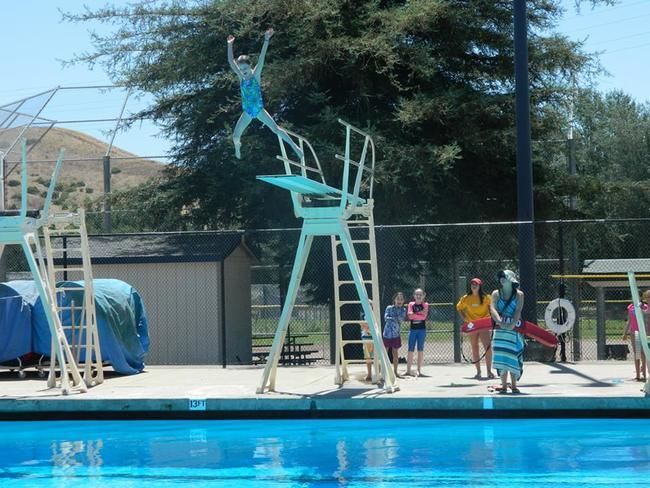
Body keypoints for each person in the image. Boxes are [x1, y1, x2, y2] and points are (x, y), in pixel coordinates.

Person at [227, 28, 303, 160]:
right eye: (241, 69)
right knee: (235, 137)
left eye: (245, 69)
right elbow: (230, 62)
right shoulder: (241, 77)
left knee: (275, 129)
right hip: (247, 112)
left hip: (259, 110)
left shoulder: (256, 75)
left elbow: (262, 57)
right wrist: (229, 45)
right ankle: (238, 147)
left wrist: (266, 39)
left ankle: (295, 147)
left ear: (250, 67)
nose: (243, 71)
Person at [489, 270, 525, 394]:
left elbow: (518, 310)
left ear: (511, 278)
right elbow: (492, 308)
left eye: (504, 276)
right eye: (500, 277)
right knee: (501, 356)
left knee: (513, 355)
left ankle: (514, 385)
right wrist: (499, 321)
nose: (501, 279)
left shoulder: (519, 295)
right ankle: (504, 385)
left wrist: (512, 324)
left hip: (514, 330)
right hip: (499, 330)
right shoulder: (496, 293)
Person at [456, 277, 494, 380]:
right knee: (474, 347)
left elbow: (492, 308)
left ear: (479, 286)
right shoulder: (466, 298)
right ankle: (478, 372)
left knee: (487, 347)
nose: (474, 285)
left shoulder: (486, 297)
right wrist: (465, 319)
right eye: (472, 283)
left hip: (483, 325)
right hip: (472, 326)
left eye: (476, 284)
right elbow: (459, 308)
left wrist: (492, 320)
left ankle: (489, 371)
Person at [623, 289, 650, 382]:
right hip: (634, 332)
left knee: (643, 352)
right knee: (637, 353)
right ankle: (638, 375)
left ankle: (644, 373)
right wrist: (625, 333)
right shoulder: (630, 307)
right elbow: (629, 321)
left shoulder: (644, 306)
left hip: (643, 331)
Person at [383, 292, 406, 377]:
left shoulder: (403, 310)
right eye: (398, 299)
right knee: (385, 352)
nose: (399, 301)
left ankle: (395, 372)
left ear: (403, 301)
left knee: (395, 353)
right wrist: (394, 318)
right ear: (394, 300)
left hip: (396, 334)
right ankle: (384, 371)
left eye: (401, 299)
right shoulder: (389, 308)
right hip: (387, 334)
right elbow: (386, 318)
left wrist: (392, 318)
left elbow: (401, 319)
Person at [406, 288, 428, 377]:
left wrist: (415, 314)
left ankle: (419, 370)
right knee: (410, 349)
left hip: (421, 330)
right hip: (413, 330)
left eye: (420, 294)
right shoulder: (411, 304)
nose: (418, 296)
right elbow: (410, 316)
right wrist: (420, 313)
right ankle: (408, 370)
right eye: (417, 294)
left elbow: (424, 317)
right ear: (414, 295)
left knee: (420, 349)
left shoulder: (425, 304)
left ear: (423, 296)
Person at [360, 316, 374, 382]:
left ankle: (378, 371)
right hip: (366, 339)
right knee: (368, 357)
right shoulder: (363, 313)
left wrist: (368, 326)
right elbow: (362, 325)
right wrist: (367, 326)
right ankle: (369, 374)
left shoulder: (374, 312)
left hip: (374, 339)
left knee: (376, 357)